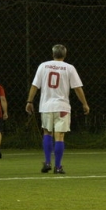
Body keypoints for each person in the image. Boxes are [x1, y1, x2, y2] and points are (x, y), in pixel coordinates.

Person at [26, 44, 89, 174]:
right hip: (62, 106)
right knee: (59, 136)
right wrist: (84, 103)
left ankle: (48, 162)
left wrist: (29, 101)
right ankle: (58, 166)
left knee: (47, 133)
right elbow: (77, 88)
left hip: (46, 106)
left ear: (52, 54)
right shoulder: (69, 68)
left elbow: (34, 85)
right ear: (65, 54)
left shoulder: (43, 66)